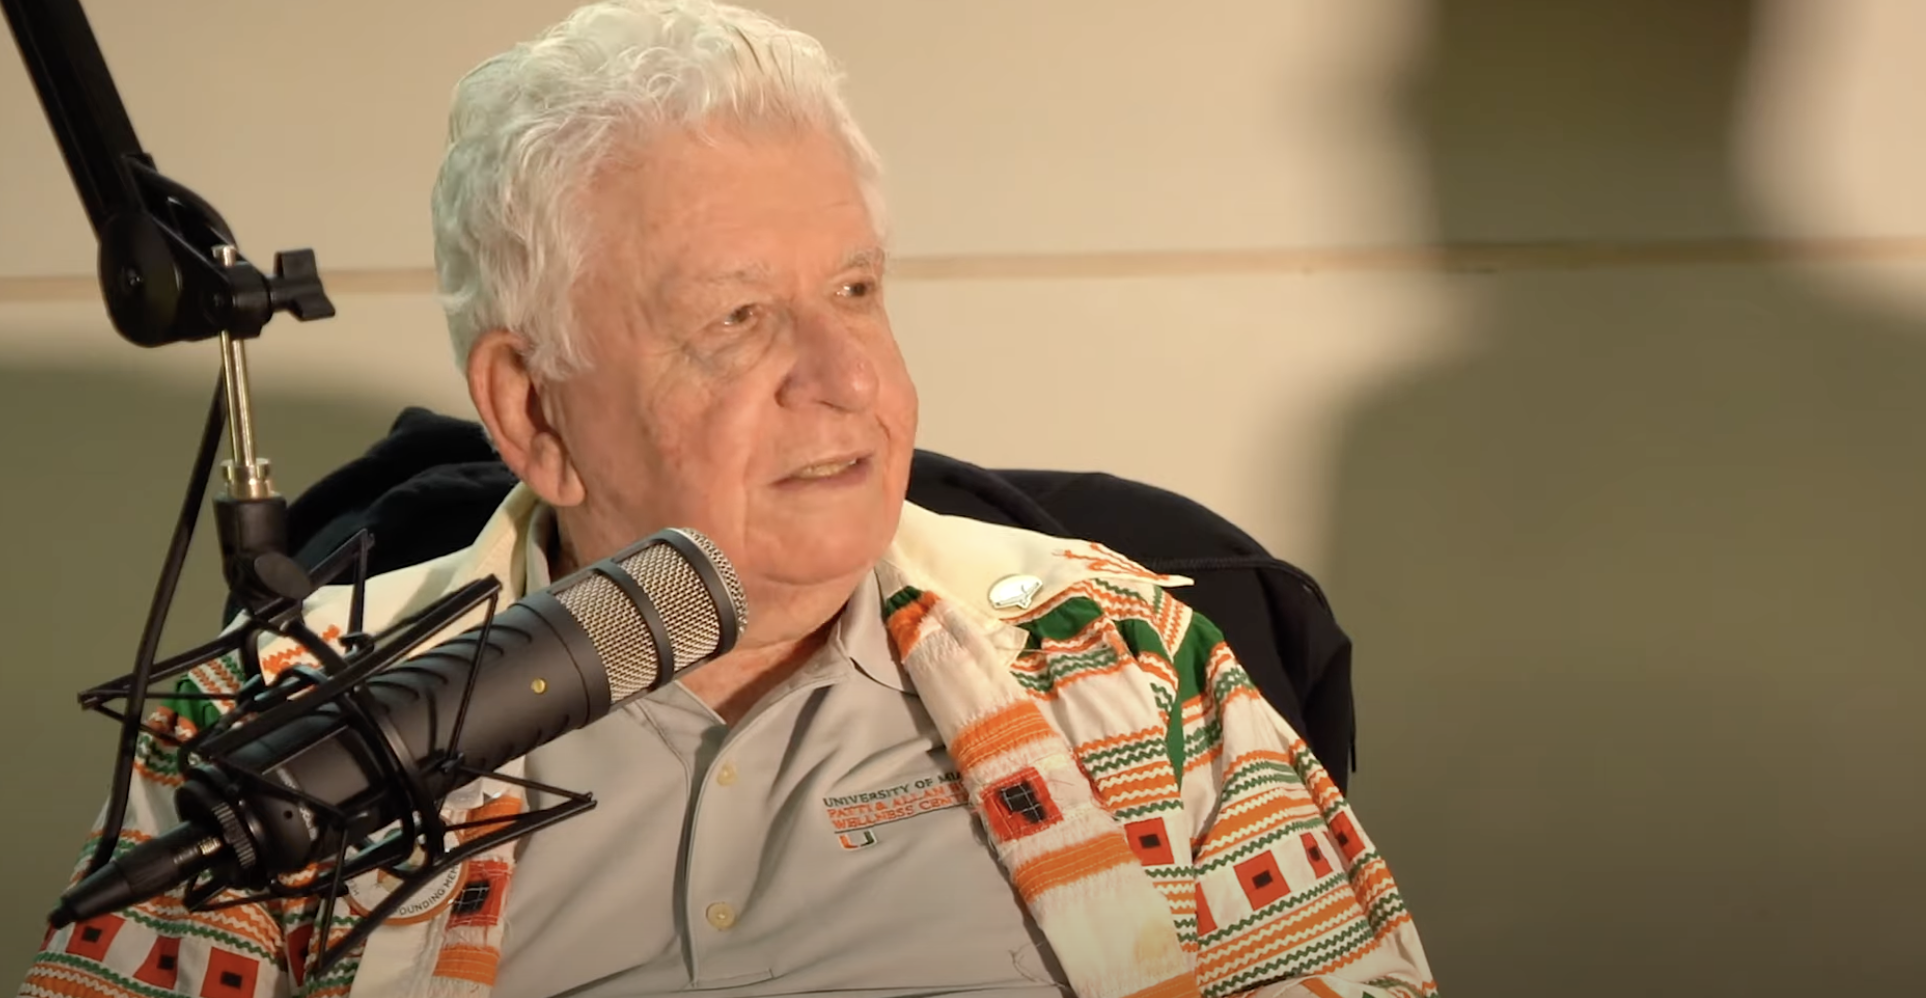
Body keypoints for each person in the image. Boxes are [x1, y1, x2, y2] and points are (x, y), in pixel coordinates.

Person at [21, 2, 1436, 996]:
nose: (846, 378)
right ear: (533, 412)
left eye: (857, 293)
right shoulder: (274, 732)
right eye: (739, 320)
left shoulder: (1124, 652)